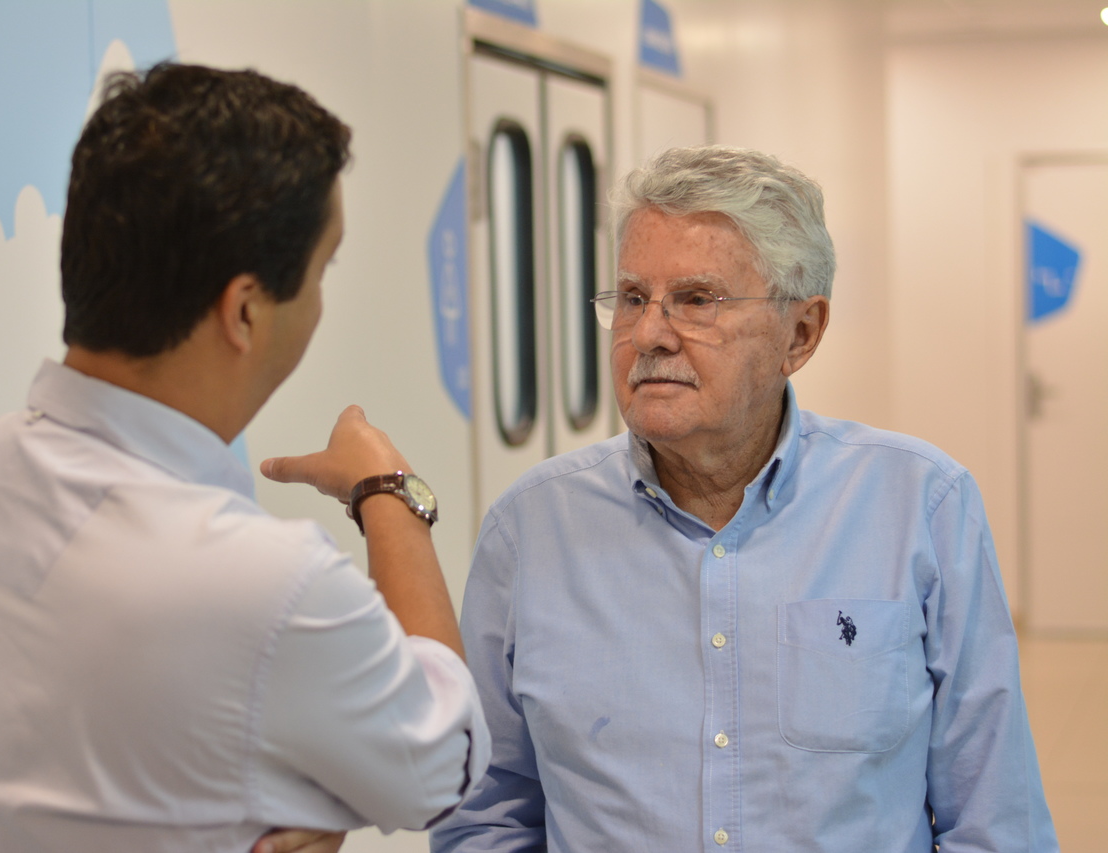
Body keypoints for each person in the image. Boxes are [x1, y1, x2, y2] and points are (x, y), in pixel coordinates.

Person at [0, 62, 488, 853]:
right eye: (322, 271)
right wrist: (386, 490)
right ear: (244, 309)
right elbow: (446, 763)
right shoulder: (266, 586)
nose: (320, 301)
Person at [431, 145, 1057, 851]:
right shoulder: (531, 529)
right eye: (632, 297)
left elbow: (997, 821)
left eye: (697, 300)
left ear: (801, 332)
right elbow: (483, 813)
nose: (649, 334)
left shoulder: (922, 507)